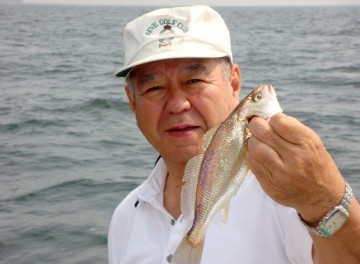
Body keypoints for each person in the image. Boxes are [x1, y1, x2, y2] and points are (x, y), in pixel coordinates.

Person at [108, 5, 360, 264]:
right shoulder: (125, 216)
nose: (177, 104)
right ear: (132, 101)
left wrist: (324, 201)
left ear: (234, 84)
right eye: (154, 87)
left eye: (194, 81)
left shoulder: (289, 195)